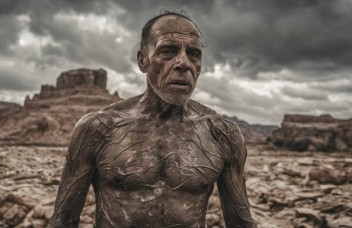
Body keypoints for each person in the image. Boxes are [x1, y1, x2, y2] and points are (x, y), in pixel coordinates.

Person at [48, 10, 257, 228]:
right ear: (143, 60)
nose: (183, 63)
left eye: (194, 54)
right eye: (168, 51)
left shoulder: (222, 134)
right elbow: (63, 220)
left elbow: (241, 223)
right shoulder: (98, 129)